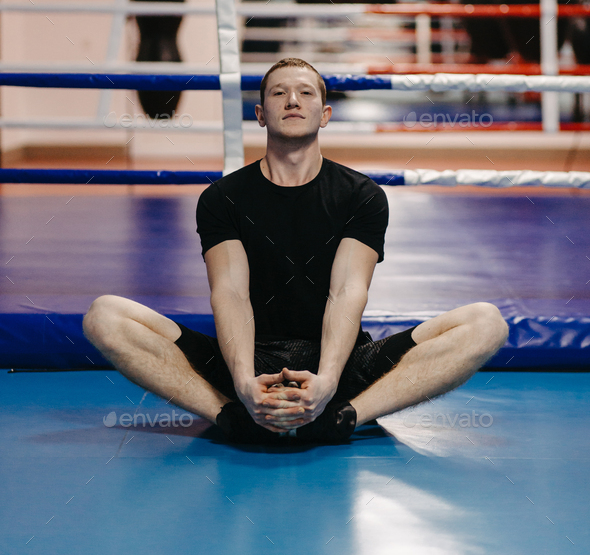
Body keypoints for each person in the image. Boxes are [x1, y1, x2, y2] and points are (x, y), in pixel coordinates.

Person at [84, 57, 508, 445]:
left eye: (306, 93)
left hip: (341, 362)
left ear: (324, 115)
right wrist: (244, 380)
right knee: (105, 315)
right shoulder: (223, 198)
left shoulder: (362, 196)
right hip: (247, 360)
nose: (292, 100)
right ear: (260, 114)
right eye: (278, 92)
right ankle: (230, 416)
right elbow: (230, 293)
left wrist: (327, 380)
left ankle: (344, 417)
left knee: (486, 323)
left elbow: (347, 292)